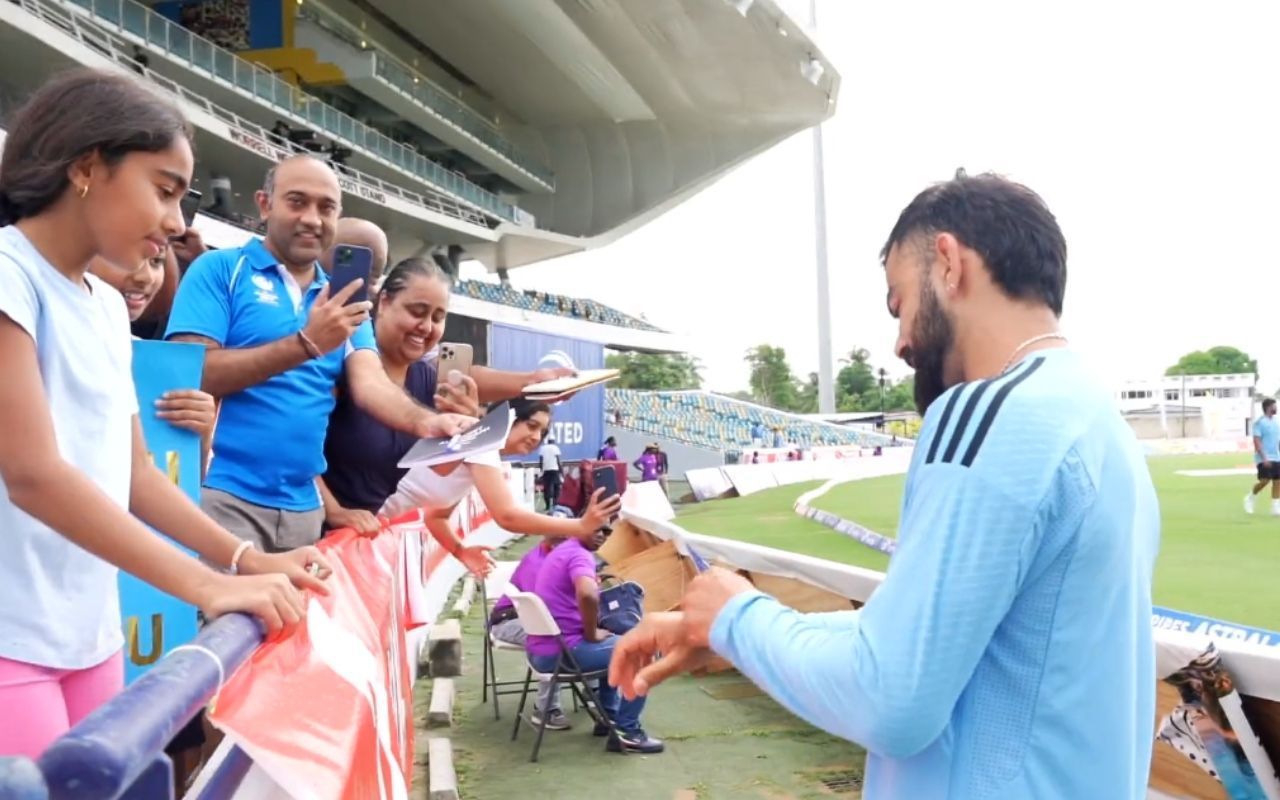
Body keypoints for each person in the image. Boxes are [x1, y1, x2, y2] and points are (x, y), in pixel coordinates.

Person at [610, 173, 1160, 799]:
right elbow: (943, 645)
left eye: (899, 304)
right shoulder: (1099, 422)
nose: (900, 341)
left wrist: (738, 617)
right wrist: (717, 628)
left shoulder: (990, 413)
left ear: (949, 264)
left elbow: (890, 696)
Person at [0, 69, 330, 758]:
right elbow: (32, 475)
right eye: (165, 190)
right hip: (10, 640)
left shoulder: (97, 304)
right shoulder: (9, 276)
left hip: (90, 638)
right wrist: (208, 584)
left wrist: (248, 560)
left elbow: (136, 476)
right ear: (88, 166)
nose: (178, 223)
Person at [165, 155, 472, 556]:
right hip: (222, 497)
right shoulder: (220, 270)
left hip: (304, 514)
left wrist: (429, 422)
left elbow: (371, 383)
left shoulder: (345, 300)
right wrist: (305, 344)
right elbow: (189, 372)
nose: (312, 218)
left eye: (326, 208)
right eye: (297, 202)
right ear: (264, 204)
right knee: (224, 620)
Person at [318, 256, 578, 533]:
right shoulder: (340, 361)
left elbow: (439, 469)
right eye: (417, 311)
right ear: (384, 302)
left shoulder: (426, 379)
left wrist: (466, 430)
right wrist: (334, 510)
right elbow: (291, 441)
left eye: (438, 318)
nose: (427, 327)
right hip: (308, 533)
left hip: (357, 541)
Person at [381, 399, 620, 572]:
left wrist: (460, 551)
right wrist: (580, 526)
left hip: (368, 517)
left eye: (543, 432)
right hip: (361, 511)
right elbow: (507, 516)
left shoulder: (481, 450)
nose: (537, 438)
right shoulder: (482, 442)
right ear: (510, 418)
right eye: (532, 425)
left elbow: (436, 518)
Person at [529, 527, 663, 754]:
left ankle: (608, 718)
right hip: (562, 653)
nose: (602, 534)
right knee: (642, 651)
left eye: (608, 531)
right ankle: (627, 732)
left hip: (542, 650)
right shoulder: (580, 555)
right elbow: (587, 594)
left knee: (617, 647)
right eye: (597, 528)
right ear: (581, 523)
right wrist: (591, 633)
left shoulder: (561, 551)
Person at [88, 248, 217, 471]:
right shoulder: (35, 340)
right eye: (126, 258)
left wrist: (199, 438)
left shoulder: (159, 366)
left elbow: (176, 481)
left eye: (156, 261)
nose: (145, 277)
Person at [487, 538, 569, 730]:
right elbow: (546, 607)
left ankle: (595, 691)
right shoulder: (538, 562)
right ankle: (545, 709)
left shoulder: (561, 557)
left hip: (534, 618)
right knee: (553, 639)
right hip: (507, 622)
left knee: (577, 631)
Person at [1245, 397, 1280, 515]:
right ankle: (1251, 497)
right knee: (1265, 481)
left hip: (1276, 457)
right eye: (1275, 406)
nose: (1276, 408)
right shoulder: (1259, 423)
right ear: (1268, 407)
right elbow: (1257, 441)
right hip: (1264, 457)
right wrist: (1264, 457)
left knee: (1278, 481)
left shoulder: (1276, 422)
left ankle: (1275, 507)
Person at [538, 436, 563, 511]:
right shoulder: (555, 448)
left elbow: (541, 461)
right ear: (553, 441)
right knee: (557, 488)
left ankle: (547, 506)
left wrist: (541, 470)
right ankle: (555, 504)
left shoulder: (543, 448)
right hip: (555, 470)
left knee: (547, 489)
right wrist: (561, 471)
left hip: (546, 471)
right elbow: (558, 461)